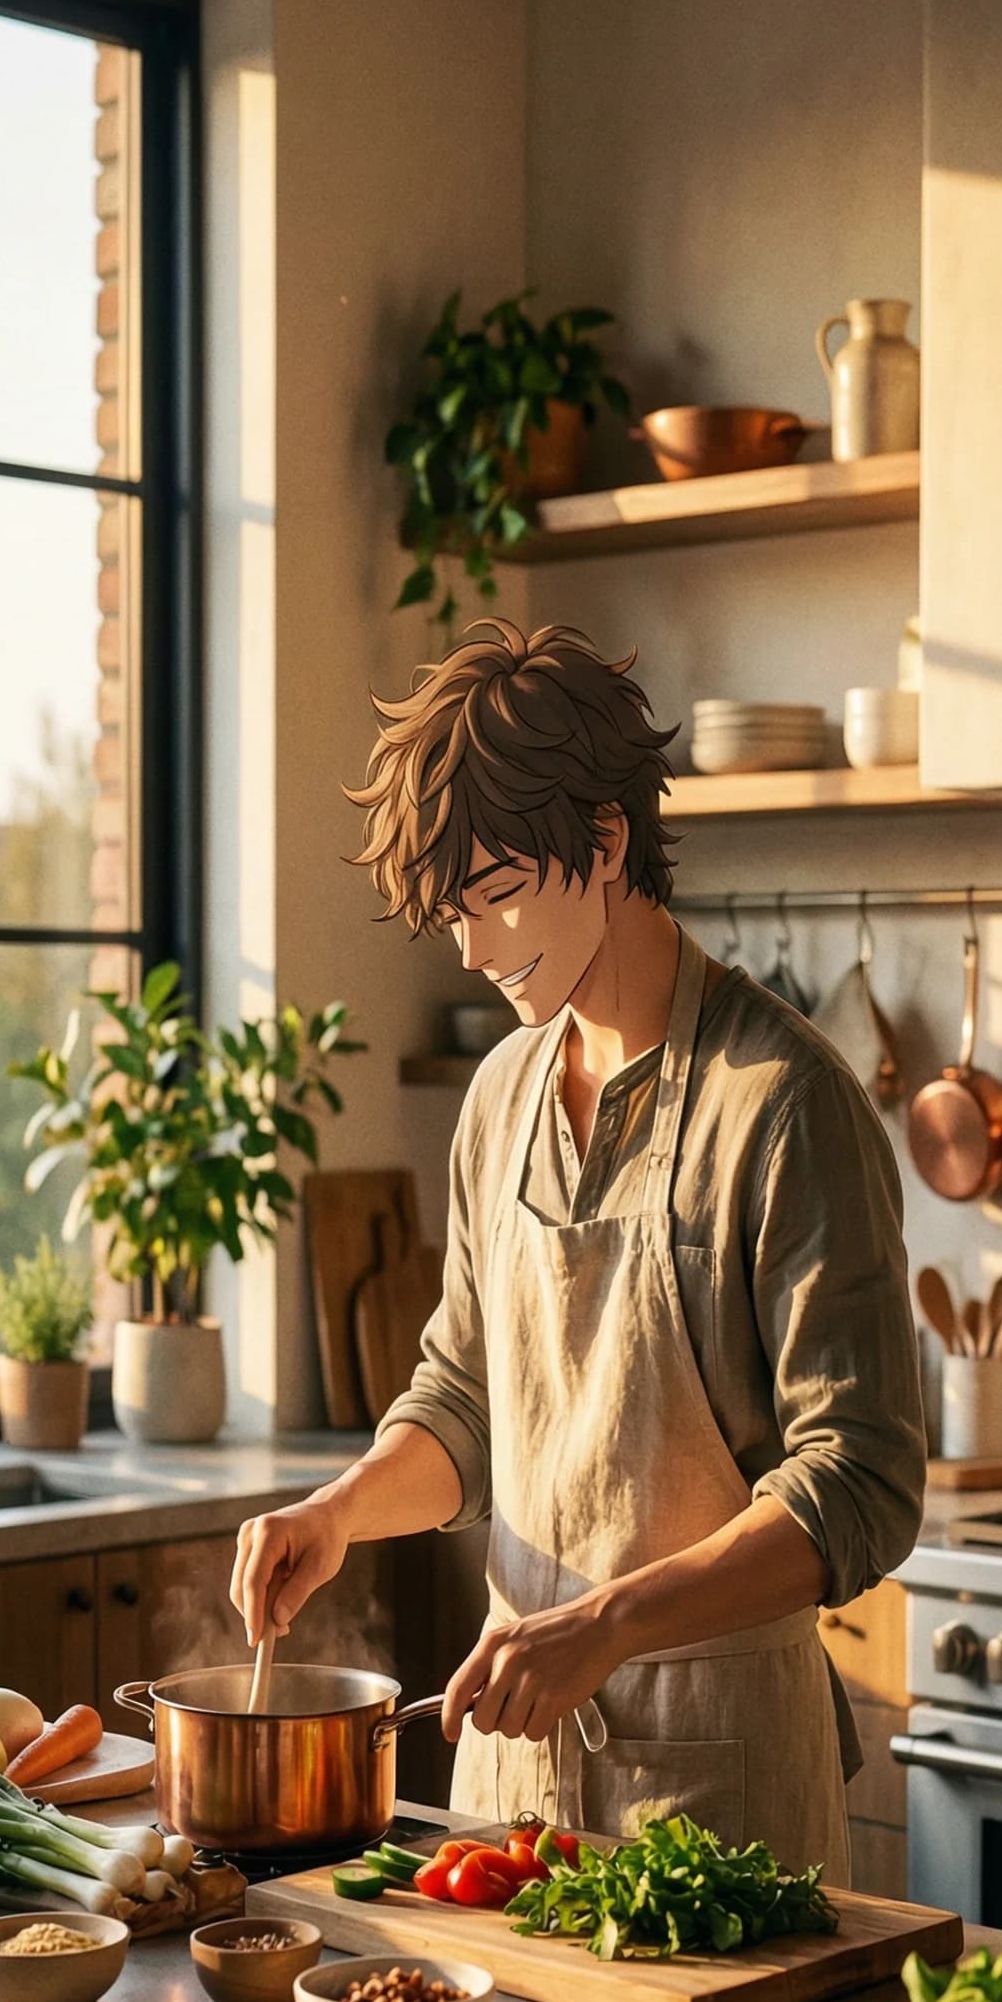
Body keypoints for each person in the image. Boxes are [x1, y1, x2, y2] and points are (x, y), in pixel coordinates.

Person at [232, 618, 925, 1875]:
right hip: (510, 1791)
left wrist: (604, 1626)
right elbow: (467, 1405)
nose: (475, 948)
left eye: (497, 896)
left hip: (720, 1801)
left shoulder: (783, 1102)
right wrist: (340, 1511)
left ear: (606, 845)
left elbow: (863, 1485)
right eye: (454, 914)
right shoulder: (499, 1099)